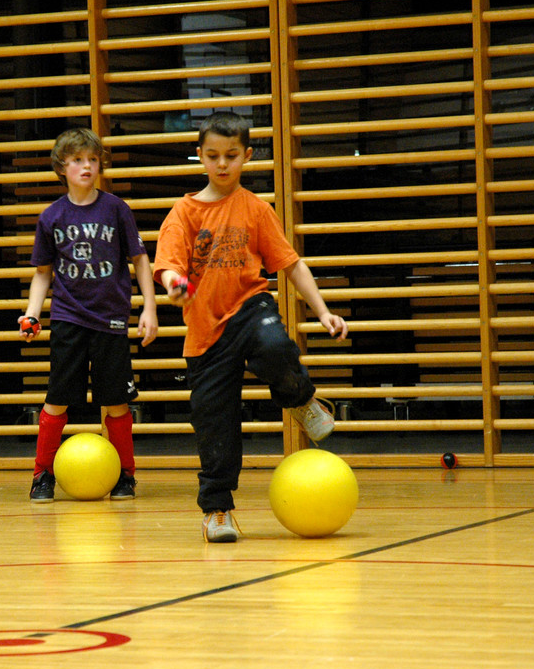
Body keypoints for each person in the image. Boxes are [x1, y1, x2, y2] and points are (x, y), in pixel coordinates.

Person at [152, 111, 348, 543]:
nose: (222, 164)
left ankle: (301, 400)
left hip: (249, 306)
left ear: (247, 156)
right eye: (213, 155)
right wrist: (174, 285)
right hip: (205, 332)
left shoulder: (257, 210)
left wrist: (322, 311)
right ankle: (217, 510)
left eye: (232, 155)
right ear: (200, 156)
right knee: (214, 426)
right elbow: (168, 265)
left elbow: (292, 265)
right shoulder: (184, 212)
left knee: (274, 344)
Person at [20, 127, 158, 503]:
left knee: (116, 402)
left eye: (93, 159)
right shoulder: (51, 216)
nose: (86, 166)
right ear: (61, 167)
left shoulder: (116, 209)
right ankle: (42, 475)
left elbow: (140, 260)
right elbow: (43, 273)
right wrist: (32, 313)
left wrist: (149, 307)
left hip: (111, 320)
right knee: (57, 400)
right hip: (68, 319)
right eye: (77, 160)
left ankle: (125, 475)